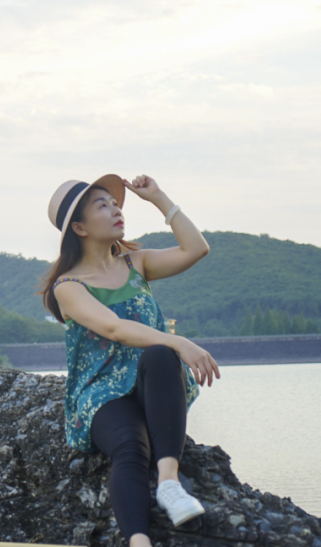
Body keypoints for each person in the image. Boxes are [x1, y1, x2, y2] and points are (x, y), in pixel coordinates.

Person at [43, 173, 220, 547]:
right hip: (102, 396)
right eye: (102, 205)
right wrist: (180, 342)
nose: (116, 209)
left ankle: (169, 484)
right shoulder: (69, 287)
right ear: (80, 227)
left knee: (159, 354)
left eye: (116, 202)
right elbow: (115, 328)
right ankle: (139, 542)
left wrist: (159, 198)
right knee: (129, 446)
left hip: (149, 383)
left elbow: (196, 249)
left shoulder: (136, 263)